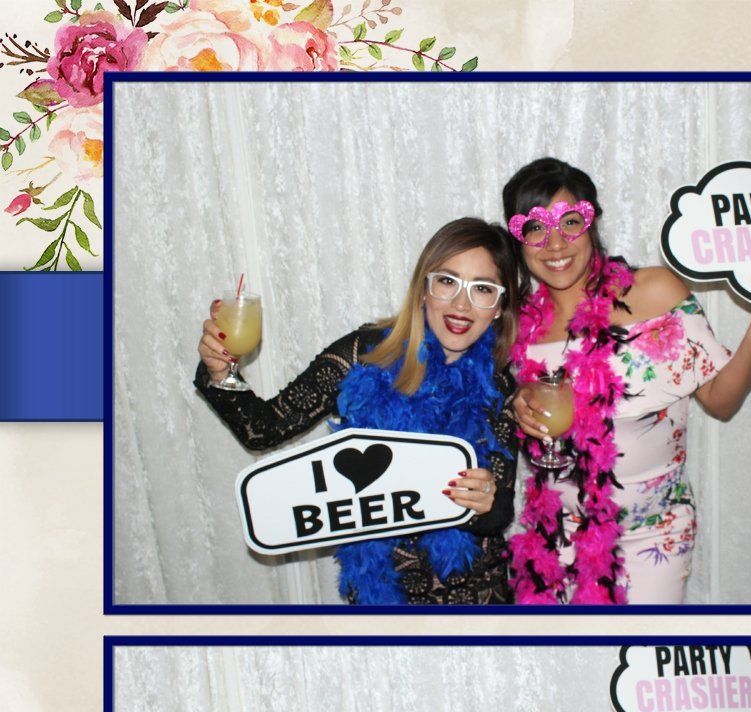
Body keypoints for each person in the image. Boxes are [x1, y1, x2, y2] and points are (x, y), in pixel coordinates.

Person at [497, 157, 751, 604]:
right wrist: (514, 406)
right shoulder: (516, 324)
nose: (555, 244)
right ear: (518, 239)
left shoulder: (656, 291)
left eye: (570, 222)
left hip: (651, 537)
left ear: (593, 221)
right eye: (535, 230)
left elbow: (721, 402)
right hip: (550, 542)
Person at [194, 218, 521, 604]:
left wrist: (483, 501)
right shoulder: (365, 355)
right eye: (447, 281)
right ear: (423, 290)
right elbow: (263, 429)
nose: (462, 304)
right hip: (380, 597)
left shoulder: (497, 387)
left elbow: (500, 510)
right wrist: (222, 373)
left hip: (477, 598)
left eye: (482, 289)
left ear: (499, 307)